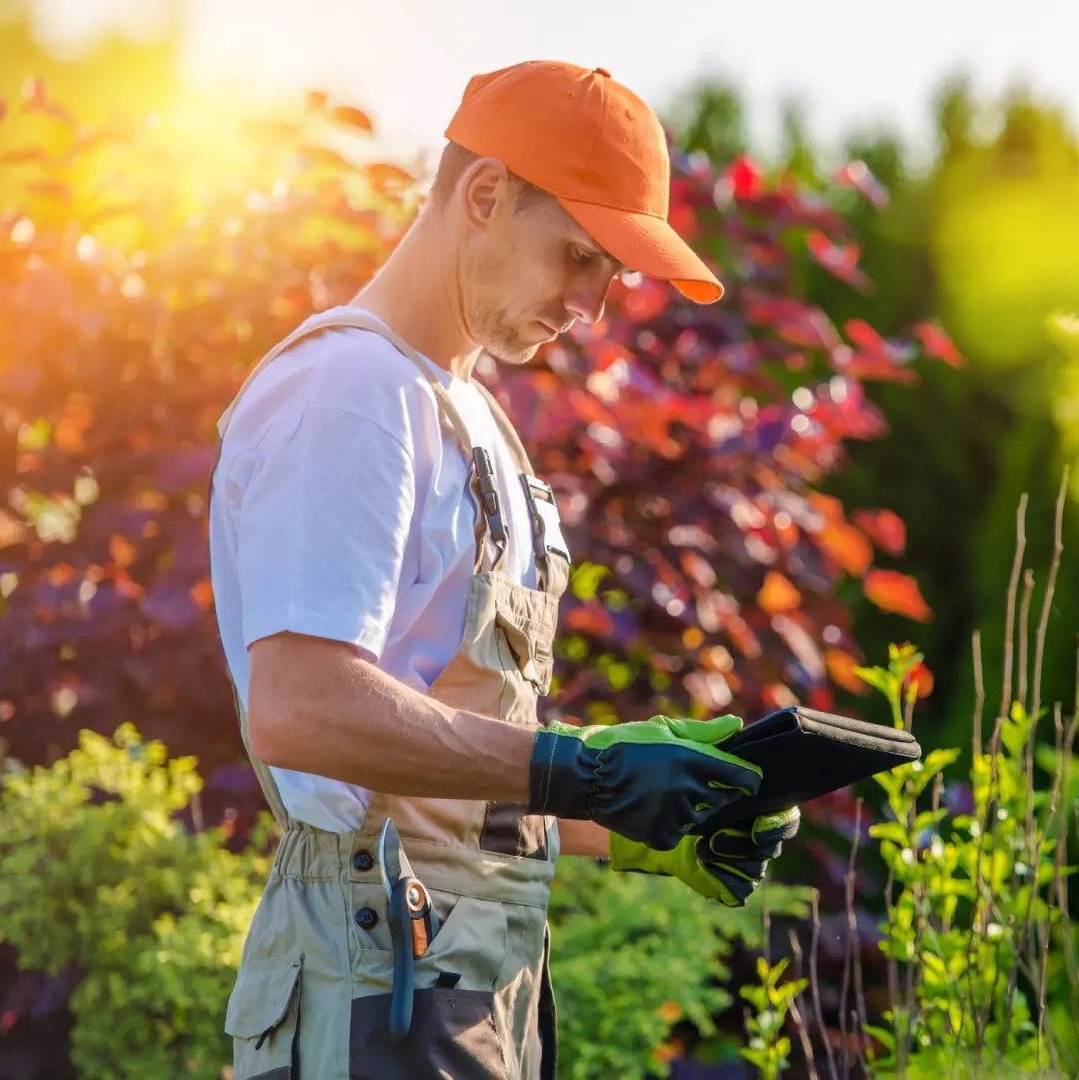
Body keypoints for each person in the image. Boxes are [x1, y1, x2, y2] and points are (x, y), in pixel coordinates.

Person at [207, 60, 797, 1079]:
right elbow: (299, 707)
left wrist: (642, 818)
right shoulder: (354, 390)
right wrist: (588, 771)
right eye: (579, 257)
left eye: (613, 277)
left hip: (471, 979)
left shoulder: (472, 417)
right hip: (377, 983)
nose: (595, 307)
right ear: (483, 195)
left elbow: (453, 777)